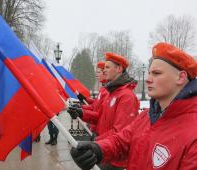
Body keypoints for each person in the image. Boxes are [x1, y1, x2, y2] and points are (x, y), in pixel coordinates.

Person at [70, 42, 197, 170]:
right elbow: (122, 141)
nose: (148, 79)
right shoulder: (146, 116)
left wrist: (97, 140)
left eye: (156, 73)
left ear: (181, 77)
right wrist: (98, 149)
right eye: (149, 73)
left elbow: (118, 129)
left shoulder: (193, 133)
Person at [68, 52, 139, 169]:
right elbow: (99, 115)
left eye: (107, 67)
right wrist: (82, 113)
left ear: (119, 69)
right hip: (105, 151)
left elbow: (120, 132)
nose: (103, 70)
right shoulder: (112, 92)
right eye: (103, 68)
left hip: (114, 159)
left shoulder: (126, 96)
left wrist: (96, 142)